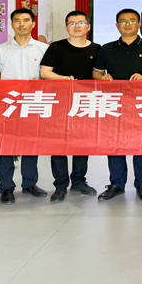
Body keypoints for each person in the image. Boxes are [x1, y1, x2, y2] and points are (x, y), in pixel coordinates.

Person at [93, 9, 142, 202]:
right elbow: (96, 73)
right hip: (113, 103)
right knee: (115, 144)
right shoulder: (107, 48)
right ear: (117, 25)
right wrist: (103, 77)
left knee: (141, 145)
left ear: (139, 24)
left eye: (132, 20)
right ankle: (116, 184)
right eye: (123, 21)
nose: (127, 24)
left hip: (141, 103)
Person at [0, 8, 50, 205]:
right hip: (8, 105)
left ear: (33, 23)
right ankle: (6, 187)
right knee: (5, 146)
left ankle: (30, 183)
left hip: (33, 104)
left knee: (31, 145)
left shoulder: (43, 49)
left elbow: (48, 77)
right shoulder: (0, 50)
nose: (22, 24)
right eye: (17, 20)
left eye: (26, 20)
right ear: (12, 24)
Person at [40, 11, 100, 203]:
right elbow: (45, 72)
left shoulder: (97, 49)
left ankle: (79, 181)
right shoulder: (56, 47)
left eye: (81, 23)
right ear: (66, 27)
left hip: (85, 103)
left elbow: (100, 74)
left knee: (82, 144)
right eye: (72, 23)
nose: (77, 26)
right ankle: (60, 185)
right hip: (59, 102)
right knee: (58, 145)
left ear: (88, 27)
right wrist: (64, 79)